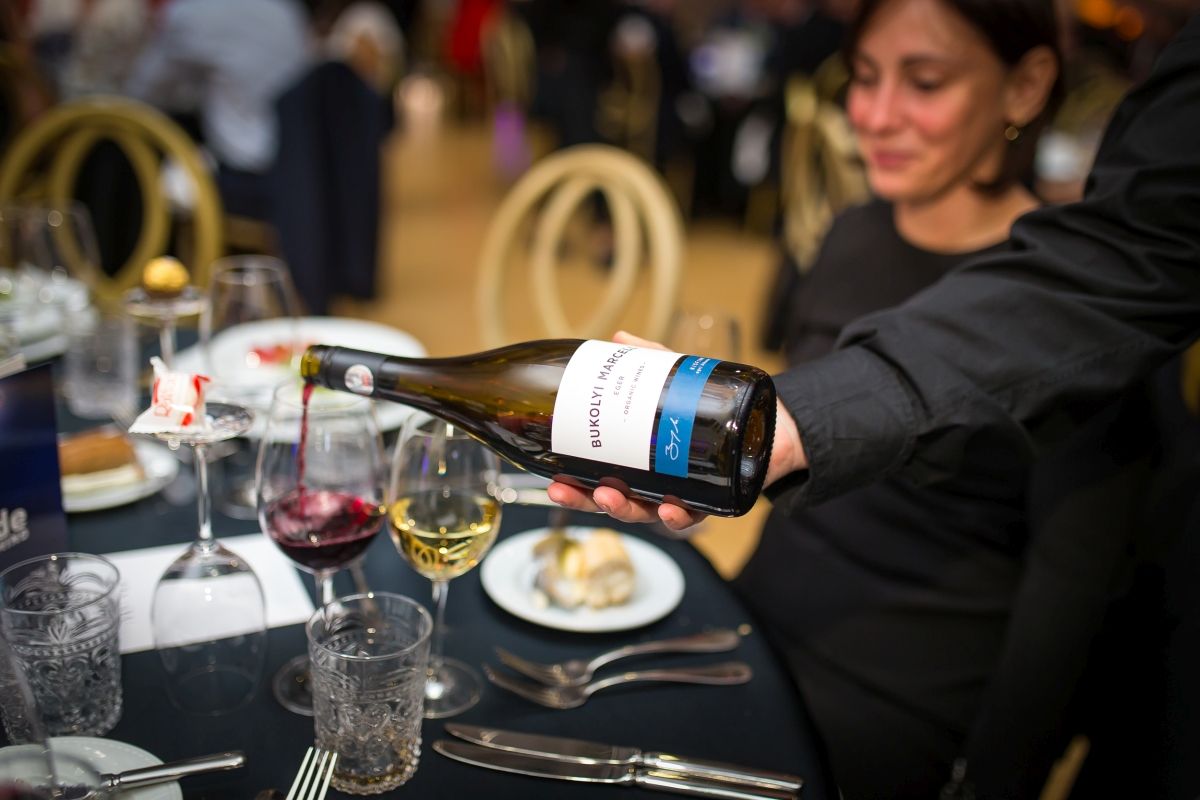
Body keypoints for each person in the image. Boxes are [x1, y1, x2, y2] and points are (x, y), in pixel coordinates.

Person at [548, 7, 1200, 798]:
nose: (876, 115)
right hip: (753, 624)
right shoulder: (852, 233)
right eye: (864, 78)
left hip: (892, 696)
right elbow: (796, 464)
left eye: (924, 82)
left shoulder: (1082, 317)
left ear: (1025, 87)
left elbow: (1064, 609)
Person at [125, 0, 312, 217]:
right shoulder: (286, 11)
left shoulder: (196, 12)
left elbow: (145, 93)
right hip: (298, 171)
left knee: (142, 157)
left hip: (245, 177)